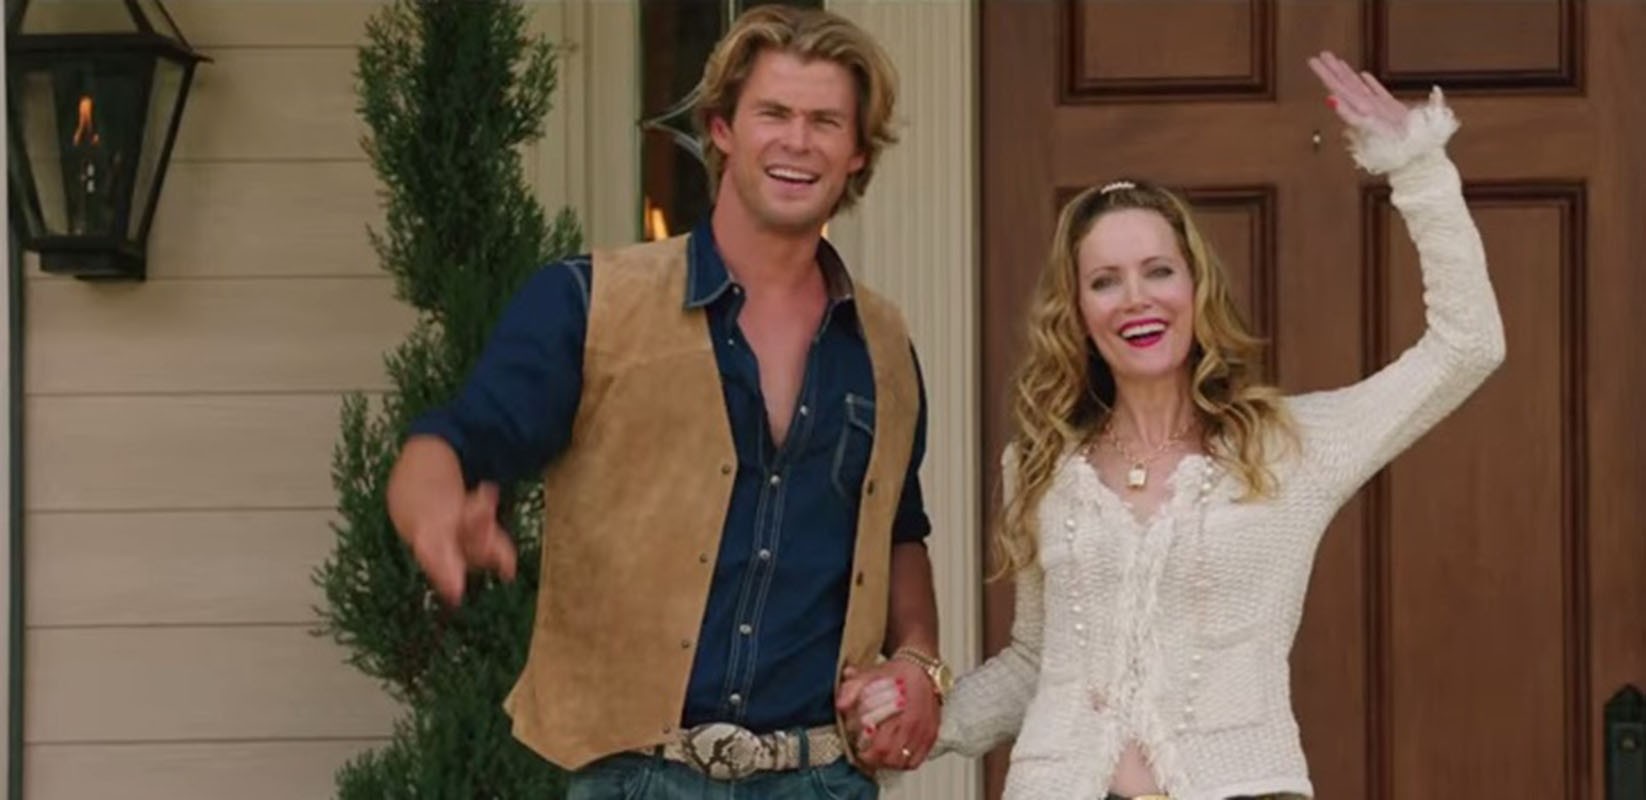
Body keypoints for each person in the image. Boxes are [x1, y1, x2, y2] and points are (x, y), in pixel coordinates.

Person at [847, 51, 1505, 799]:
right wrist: (914, 719)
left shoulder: (1289, 447)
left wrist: (1417, 166)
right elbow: (1036, 664)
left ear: (1196, 286)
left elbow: (1468, 346)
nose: (1136, 298)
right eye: (1105, 281)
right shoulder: (1038, 464)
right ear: (1078, 312)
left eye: (1158, 270)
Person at [384, 6, 952, 798]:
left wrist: (919, 660)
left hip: (819, 778)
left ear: (857, 152)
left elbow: (897, 529)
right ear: (722, 129)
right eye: (773, 113)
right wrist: (433, 508)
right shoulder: (589, 304)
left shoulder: (883, 345)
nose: (797, 141)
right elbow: (459, 439)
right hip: (637, 778)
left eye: (825, 121)